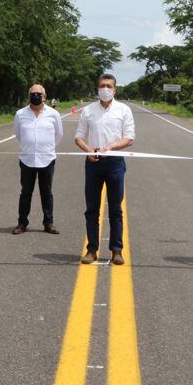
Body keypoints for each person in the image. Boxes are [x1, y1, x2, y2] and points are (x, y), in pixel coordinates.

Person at [75, 74, 135, 265]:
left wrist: (112, 148)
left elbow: (129, 137)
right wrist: (88, 150)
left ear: (115, 89)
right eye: (102, 86)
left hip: (115, 164)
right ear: (97, 88)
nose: (105, 89)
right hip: (93, 164)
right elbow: (79, 137)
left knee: (116, 209)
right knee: (92, 209)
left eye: (109, 86)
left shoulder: (124, 110)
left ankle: (116, 250)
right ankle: (91, 250)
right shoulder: (88, 111)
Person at [12, 84, 63, 235]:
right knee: (25, 192)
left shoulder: (53, 114)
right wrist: (30, 147)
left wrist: (44, 148)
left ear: (45, 96)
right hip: (27, 159)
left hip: (47, 159)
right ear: (29, 96)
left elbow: (58, 136)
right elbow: (18, 134)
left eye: (38, 94)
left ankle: (48, 222)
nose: (35, 96)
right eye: (32, 93)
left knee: (46, 192)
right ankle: (22, 223)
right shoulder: (20, 114)